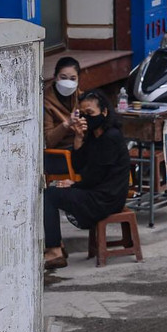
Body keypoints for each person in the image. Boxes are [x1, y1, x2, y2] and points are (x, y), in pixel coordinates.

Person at [43, 90, 129, 269]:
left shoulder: (111, 137)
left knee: (49, 196)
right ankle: (57, 244)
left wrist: (75, 184)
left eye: (90, 113)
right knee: (51, 192)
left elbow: (96, 175)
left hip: (107, 198)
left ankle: (54, 250)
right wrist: (79, 138)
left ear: (104, 112)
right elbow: (78, 166)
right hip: (95, 191)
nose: (86, 118)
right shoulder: (93, 134)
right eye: (82, 114)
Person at [44, 57, 82, 151]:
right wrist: (66, 124)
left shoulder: (81, 97)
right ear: (55, 77)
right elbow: (48, 141)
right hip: (60, 151)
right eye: (63, 78)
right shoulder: (46, 102)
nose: (68, 82)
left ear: (78, 79)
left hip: (80, 144)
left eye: (73, 79)